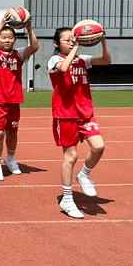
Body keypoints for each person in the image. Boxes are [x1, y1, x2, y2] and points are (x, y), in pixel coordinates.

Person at [48, 27, 111, 219]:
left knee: (99, 146)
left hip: (85, 112)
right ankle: (67, 199)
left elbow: (106, 60)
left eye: (72, 39)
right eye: (67, 40)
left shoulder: (82, 59)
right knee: (71, 156)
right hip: (65, 114)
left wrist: (102, 40)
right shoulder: (55, 60)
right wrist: (76, 48)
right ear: (57, 44)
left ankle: (84, 174)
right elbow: (64, 68)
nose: (71, 42)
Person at [0, 12, 38, 181]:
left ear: (14, 40)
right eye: (3, 38)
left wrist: (29, 29)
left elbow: (34, 47)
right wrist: (1, 24)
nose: (7, 41)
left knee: (12, 132)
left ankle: (11, 159)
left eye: (10, 38)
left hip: (14, 99)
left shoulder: (19, 54)